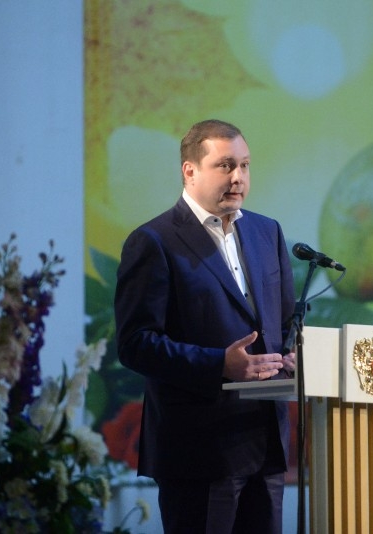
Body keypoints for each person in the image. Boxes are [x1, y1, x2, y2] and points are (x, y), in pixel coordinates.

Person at [114, 119, 296, 533]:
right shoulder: (154, 241)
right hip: (198, 450)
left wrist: (296, 352)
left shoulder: (267, 232)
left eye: (245, 165)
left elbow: (286, 323)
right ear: (190, 170)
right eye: (225, 165)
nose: (238, 177)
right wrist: (220, 364)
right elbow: (136, 344)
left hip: (265, 443)